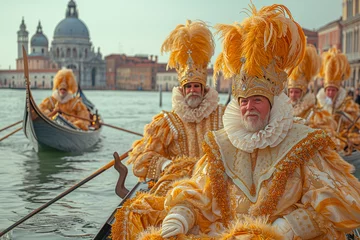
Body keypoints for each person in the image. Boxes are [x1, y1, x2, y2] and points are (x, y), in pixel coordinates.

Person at [153, 4, 360, 239]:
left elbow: (341, 201)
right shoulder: (221, 145)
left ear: (272, 102)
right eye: (244, 101)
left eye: (257, 100)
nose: (249, 107)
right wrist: (180, 215)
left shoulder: (304, 144)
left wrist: (289, 228)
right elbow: (198, 192)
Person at [111, 20, 225, 240]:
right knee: (134, 214)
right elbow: (143, 158)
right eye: (188, 87)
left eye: (196, 86)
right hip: (175, 187)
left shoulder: (221, 116)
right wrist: (167, 165)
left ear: (203, 88)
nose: (192, 90)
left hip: (213, 187)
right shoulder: (166, 122)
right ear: (182, 90)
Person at [287, 44, 339, 148]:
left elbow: (326, 138)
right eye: (291, 92)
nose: (293, 95)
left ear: (303, 93)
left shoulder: (314, 114)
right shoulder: (282, 111)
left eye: (296, 92)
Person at [316, 47, 360, 154]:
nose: (330, 93)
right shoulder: (319, 104)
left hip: (343, 147)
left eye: (333, 90)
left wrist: (344, 137)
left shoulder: (349, 104)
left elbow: (356, 127)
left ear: (338, 90)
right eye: (328, 90)